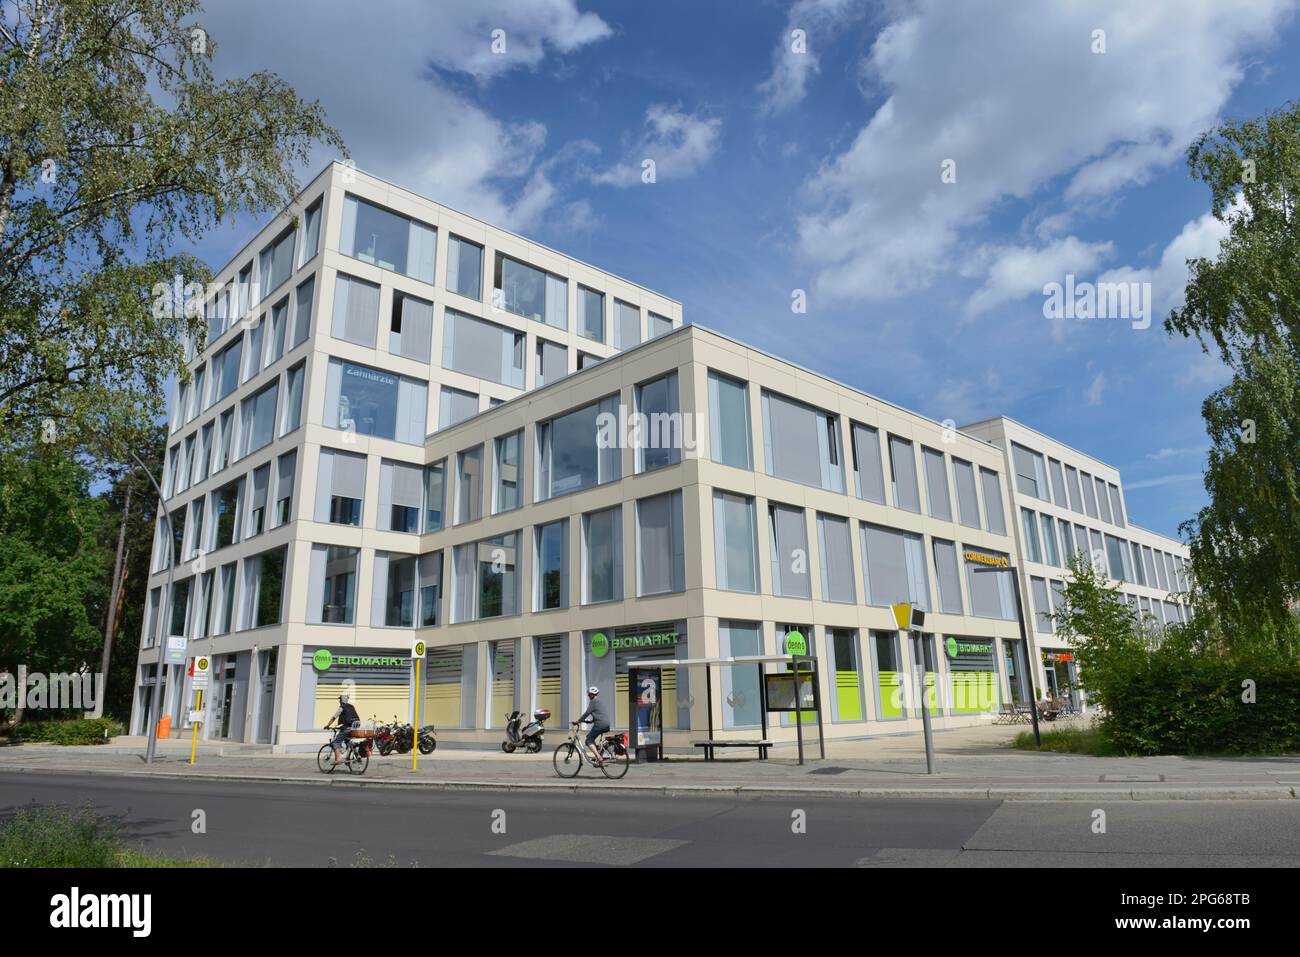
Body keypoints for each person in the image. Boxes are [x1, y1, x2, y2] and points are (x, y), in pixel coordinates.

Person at [573, 686, 609, 765]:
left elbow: (587, 713)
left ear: (592, 694)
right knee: (592, 739)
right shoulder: (600, 701)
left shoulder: (593, 701)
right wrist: (591, 721)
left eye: (589, 695)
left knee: (588, 740)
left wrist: (578, 721)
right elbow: (599, 713)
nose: (588, 696)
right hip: (606, 724)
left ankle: (598, 757)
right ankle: (598, 752)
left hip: (600, 724)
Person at [325, 694, 361, 764]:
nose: (339, 701)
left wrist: (327, 725)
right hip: (355, 728)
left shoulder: (342, 707)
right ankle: (357, 755)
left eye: (340, 699)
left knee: (336, 742)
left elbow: (334, 717)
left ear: (341, 700)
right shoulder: (351, 706)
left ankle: (338, 759)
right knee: (348, 741)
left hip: (346, 728)